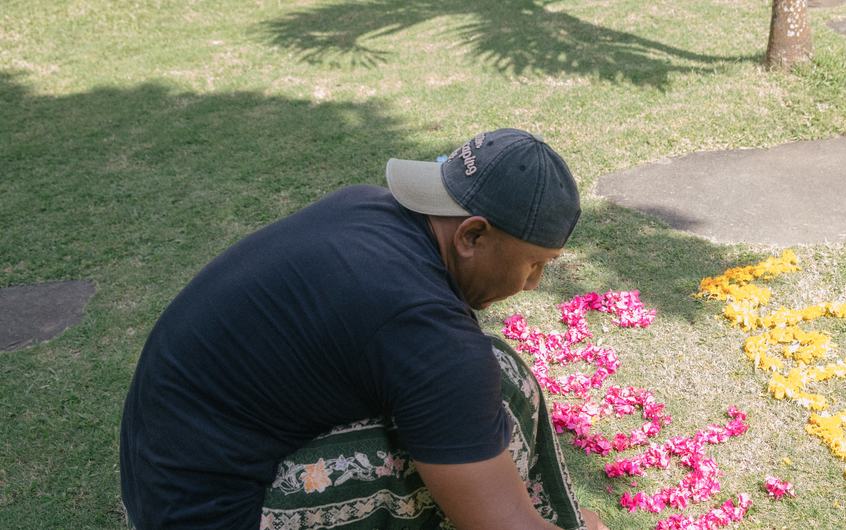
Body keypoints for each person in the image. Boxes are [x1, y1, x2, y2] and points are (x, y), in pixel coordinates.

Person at [120, 128, 608, 529]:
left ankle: (556, 516)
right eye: (535, 264)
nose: (533, 285)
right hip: (210, 516)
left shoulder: (367, 207)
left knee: (497, 379)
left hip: (162, 475)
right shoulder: (428, 335)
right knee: (458, 421)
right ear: (472, 235)